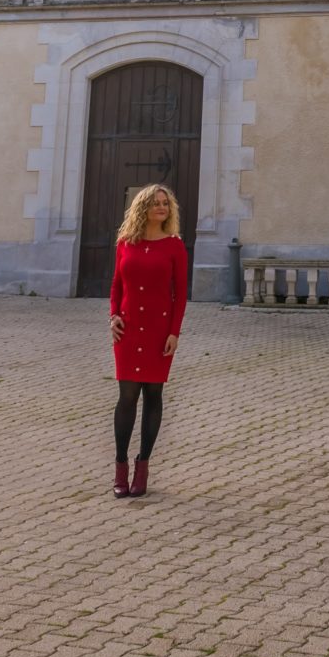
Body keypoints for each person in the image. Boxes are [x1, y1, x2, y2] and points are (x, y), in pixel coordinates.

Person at [108, 183, 188, 498]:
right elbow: (116, 285)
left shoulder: (174, 246)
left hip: (158, 330)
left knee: (153, 395)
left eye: (165, 204)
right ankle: (120, 467)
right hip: (127, 330)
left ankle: (143, 467)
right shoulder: (125, 243)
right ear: (143, 207)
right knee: (127, 397)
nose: (162, 208)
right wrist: (113, 315)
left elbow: (180, 294)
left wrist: (174, 333)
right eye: (156, 203)